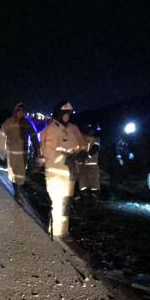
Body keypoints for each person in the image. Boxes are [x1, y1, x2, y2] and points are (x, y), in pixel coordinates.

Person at [40, 101, 87, 237]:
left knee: (66, 203)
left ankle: (62, 231)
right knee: (59, 202)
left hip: (70, 173)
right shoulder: (51, 130)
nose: (67, 116)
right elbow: (48, 151)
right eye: (64, 114)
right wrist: (66, 158)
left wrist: (83, 152)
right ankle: (56, 233)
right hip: (56, 174)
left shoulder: (73, 128)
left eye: (69, 114)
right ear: (58, 114)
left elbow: (82, 143)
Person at [0, 103, 30, 198]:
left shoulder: (26, 123)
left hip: (23, 153)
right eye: (19, 111)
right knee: (13, 173)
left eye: (23, 111)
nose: (21, 113)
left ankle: (18, 189)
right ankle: (16, 190)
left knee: (21, 173)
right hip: (11, 153)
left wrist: (36, 147)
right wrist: (1, 150)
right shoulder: (8, 122)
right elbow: (2, 137)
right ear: (16, 111)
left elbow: (33, 135)